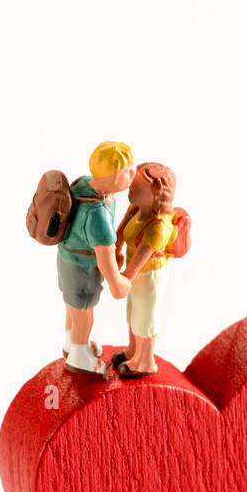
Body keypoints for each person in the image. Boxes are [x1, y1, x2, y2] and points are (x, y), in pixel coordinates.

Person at [57, 141, 138, 375]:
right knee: (84, 313)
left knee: (72, 308)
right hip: (82, 267)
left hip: (66, 258)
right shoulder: (97, 214)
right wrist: (116, 282)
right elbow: (104, 256)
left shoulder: (84, 183)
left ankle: (71, 343)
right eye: (127, 171)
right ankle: (80, 356)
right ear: (113, 177)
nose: (134, 174)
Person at [111, 163, 182, 378]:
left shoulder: (158, 226)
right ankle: (133, 351)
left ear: (154, 194)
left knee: (146, 317)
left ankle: (146, 361)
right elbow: (121, 233)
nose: (130, 187)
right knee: (133, 313)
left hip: (149, 275)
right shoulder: (136, 210)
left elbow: (142, 256)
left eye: (137, 186)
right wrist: (116, 249)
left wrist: (125, 277)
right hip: (136, 275)